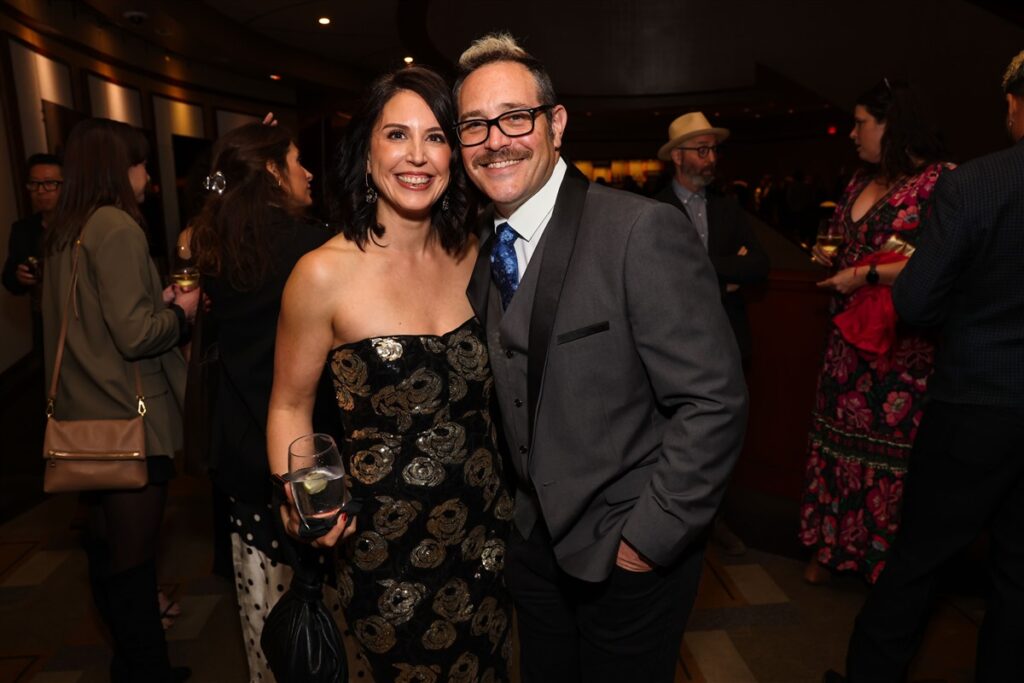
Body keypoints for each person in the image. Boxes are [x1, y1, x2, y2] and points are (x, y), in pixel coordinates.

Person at [455, 33, 748, 683]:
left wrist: (648, 539)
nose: (495, 140)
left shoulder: (639, 230)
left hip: (627, 553)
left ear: (555, 124)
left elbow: (713, 401)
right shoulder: (483, 245)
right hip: (534, 548)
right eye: (474, 124)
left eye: (515, 117)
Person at [267, 66, 513, 681]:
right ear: (367, 151)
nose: (418, 156)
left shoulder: (474, 253)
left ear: (455, 155)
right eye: (397, 134)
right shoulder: (322, 274)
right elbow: (289, 406)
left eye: (436, 137)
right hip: (384, 551)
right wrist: (308, 502)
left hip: (487, 532)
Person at [825, 49, 1024, 683]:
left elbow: (915, 299)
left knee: (917, 561)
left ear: (1016, 103)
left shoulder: (977, 183)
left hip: (975, 403)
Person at [40, 118, 199, 682]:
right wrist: (180, 313)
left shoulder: (66, 228)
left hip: (85, 416)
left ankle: (129, 666)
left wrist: (155, 304)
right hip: (129, 420)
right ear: (119, 166)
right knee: (133, 563)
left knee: (107, 552)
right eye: (141, 163)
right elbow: (135, 335)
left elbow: (96, 321)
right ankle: (146, 671)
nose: (147, 176)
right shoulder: (116, 226)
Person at [189, 122, 334, 682]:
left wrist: (242, 156)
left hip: (246, 457)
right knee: (326, 622)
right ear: (273, 172)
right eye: (296, 161)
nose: (309, 172)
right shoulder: (314, 250)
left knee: (271, 623)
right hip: (307, 455)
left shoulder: (215, 247)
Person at [799, 80, 954, 585]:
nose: (852, 133)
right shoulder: (859, 180)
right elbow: (846, 243)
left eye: (861, 122)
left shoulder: (940, 183)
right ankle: (831, 548)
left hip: (900, 349)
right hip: (845, 340)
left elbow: (941, 263)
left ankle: (882, 564)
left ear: (893, 125)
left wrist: (865, 274)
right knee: (835, 443)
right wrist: (835, 260)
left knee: (890, 461)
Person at [3, 153, 63, 349]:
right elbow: (9, 278)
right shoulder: (23, 229)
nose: (40, 191)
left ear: (65, 186)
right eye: (34, 184)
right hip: (44, 320)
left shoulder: (81, 225)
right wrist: (19, 277)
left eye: (49, 183)